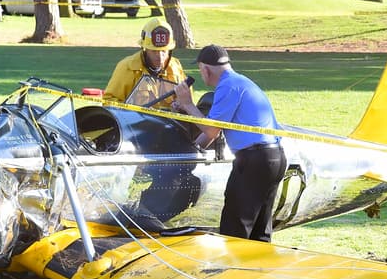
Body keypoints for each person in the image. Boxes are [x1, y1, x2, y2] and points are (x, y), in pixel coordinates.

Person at [174, 45, 287, 242]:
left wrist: (188, 105)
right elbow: (211, 134)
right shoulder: (240, 82)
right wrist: (192, 149)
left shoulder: (227, 86)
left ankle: (235, 269)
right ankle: (256, 269)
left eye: (201, 70)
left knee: (235, 228)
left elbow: (211, 129)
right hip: (273, 158)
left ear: (205, 69)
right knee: (260, 231)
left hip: (254, 160)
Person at [103, 17, 187, 108]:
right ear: (145, 49)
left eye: (164, 51)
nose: (159, 57)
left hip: (168, 122)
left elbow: (188, 100)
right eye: (154, 51)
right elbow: (109, 101)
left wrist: (180, 105)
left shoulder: (175, 67)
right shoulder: (127, 67)